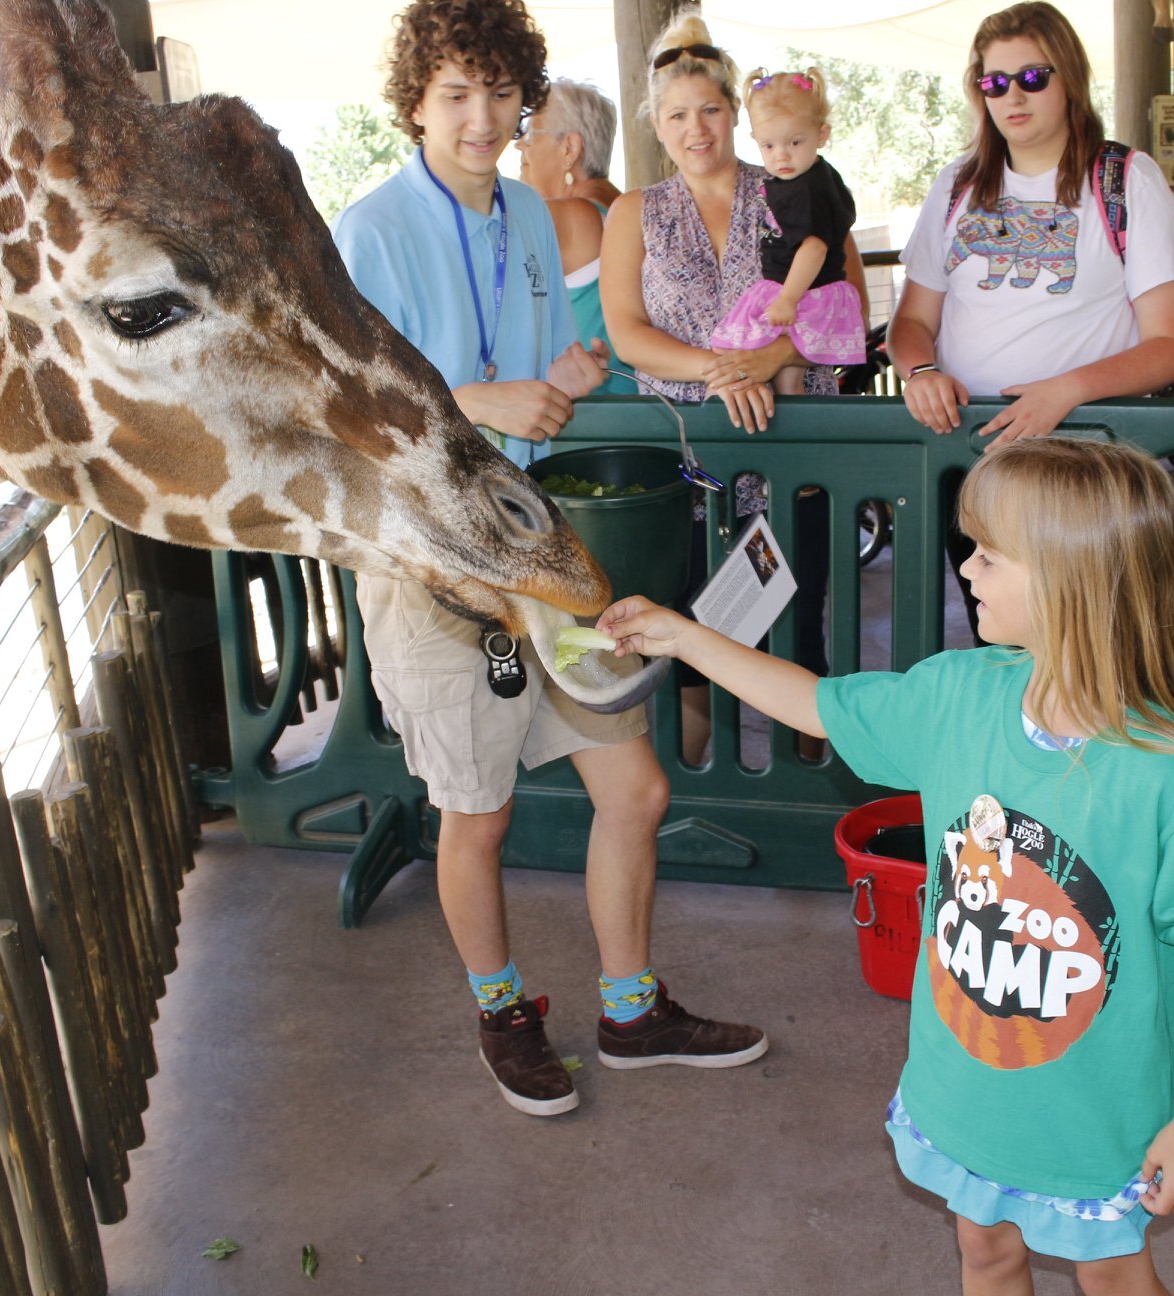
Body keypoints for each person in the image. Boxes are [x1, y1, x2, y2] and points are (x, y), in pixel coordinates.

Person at [599, 436, 1174, 1296]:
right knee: (983, 1255)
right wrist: (684, 637)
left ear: (1069, 577)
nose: (968, 568)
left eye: (989, 553)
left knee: (1115, 1283)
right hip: (967, 1087)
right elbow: (811, 702)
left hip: (1096, 1113)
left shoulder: (1172, 775)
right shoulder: (957, 695)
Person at [331, 0, 764, 1119]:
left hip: (537, 548)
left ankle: (630, 1008)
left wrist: (566, 374)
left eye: (497, 93)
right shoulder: (367, 229)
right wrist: (482, 400)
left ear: (527, 97)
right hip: (428, 562)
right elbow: (340, 411)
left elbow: (533, 371)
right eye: (454, 96)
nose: (480, 118)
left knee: (639, 785)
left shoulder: (532, 211)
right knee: (476, 814)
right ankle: (504, 1009)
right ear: (415, 104)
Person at [883, 0, 1174, 625]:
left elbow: (1170, 345)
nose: (1012, 96)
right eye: (994, 82)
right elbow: (911, 324)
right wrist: (920, 372)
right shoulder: (955, 185)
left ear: (1069, 79)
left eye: (1032, 76)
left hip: (1086, 462)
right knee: (998, 639)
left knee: (1088, 643)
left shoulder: (1125, 180)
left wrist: (1066, 392)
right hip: (972, 457)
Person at [601, 9, 862, 762]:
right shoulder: (635, 213)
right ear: (656, 122)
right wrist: (718, 371)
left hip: (788, 449)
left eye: (711, 110)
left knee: (796, 619)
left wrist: (770, 356)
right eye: (678, 114)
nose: (697, 128)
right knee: (687, 628)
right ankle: (698, 788)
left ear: (735, 115)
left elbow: (848, 306)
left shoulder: (797, 186)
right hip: (689, 456)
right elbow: (627, 330)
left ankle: (805, 790)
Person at [708, 67, 866, 395]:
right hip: (800, 288)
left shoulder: (805, 189)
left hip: (803, 292)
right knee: (785, 378)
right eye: (769, 146)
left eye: (794, 142)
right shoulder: (811, 176)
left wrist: (787, 299)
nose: (781, 155)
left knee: (740, 350)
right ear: (755, 141)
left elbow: (814, 248)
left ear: (821, 135)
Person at [514, 78, 626, 394]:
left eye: (531, 134)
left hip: (595, 418)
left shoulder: (569, 215)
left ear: (569, 149)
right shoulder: (625, 208)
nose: (520, 146)